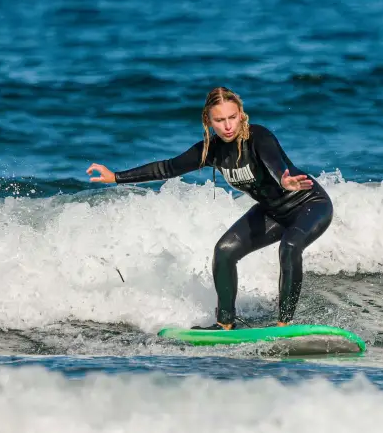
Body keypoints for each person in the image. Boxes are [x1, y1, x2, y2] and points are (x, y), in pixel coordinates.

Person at [86, 87, 333, 330]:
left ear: (241, 115)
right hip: (272, 212)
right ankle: (225, 322)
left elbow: (274, 162)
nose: (228, 126)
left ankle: (284, 323)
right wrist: (116, 177)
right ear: (208, 120)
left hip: (309, 204)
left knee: (289, 247)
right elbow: (167, 168)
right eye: (220, 120)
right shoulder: (211, 149)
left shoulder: (258, 136)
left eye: (232, 117)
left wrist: (283, 179)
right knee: (224, 252)